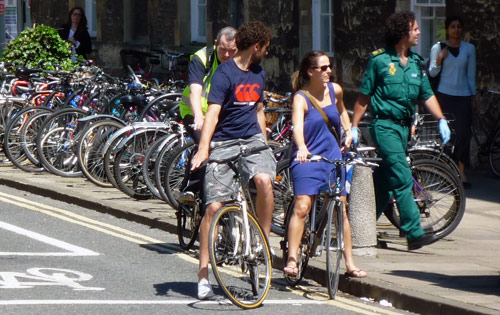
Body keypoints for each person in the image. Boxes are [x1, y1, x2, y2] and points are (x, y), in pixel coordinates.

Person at [351, 12, 451, 251]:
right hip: (384, 126)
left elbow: (426, 94)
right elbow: (363, 98)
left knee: (385, 182)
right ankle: (413, 232)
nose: (419, 32)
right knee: (402, 176)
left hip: (405, 128)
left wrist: (441, 119)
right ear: (402, 34)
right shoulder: (379, 61)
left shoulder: (416, 63)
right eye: (415, 29)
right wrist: (353, 127)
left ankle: (355, 228)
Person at [190, 21, 274, 300]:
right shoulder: (225, 74)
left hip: (252, 140)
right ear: (256, 46)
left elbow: (259, 109)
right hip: (224, 142)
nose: (267, 52)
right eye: (266, 47)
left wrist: (265, 142)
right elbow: (212, 115)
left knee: (264, 181)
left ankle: (262, 240)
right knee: (213, 208)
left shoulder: (259, 72)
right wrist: (204, 150)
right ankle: (203, 274)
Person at [284, 50, 366, 278]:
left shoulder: (335, 90)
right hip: (308, 157)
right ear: (311, 72)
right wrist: (301, 147)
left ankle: (350, 264)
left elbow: (342, 112)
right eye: (323, 68)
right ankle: (292, 259)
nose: (329, 71)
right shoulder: (301, 97)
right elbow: (297, 127)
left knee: (341, 210)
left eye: (330, 66)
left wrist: (349, 132)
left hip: (332, 157)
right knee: (302, 207)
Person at [177, 26, 237, 205]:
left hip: (219, 113)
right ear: (216, 44)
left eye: (231, 51)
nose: (226, 55)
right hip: (194, 111)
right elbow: (195, 89)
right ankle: (190, 189)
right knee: (204, 144)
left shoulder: (240, 61)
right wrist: (198, 116)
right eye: (223, 50)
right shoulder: (202, 57)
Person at [428, 16, 476, 188]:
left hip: (462, 96)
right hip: (444, 95)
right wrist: (440, 58)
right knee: (447, 135)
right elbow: (432, 73)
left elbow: (470, 75)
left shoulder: (469, 49)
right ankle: (448, 172)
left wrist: (473, 96)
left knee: (463, 134)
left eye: (459, 26)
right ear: (447, 30)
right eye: (453, 27)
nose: (456, 29)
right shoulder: (439, 47)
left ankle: (461, 170)